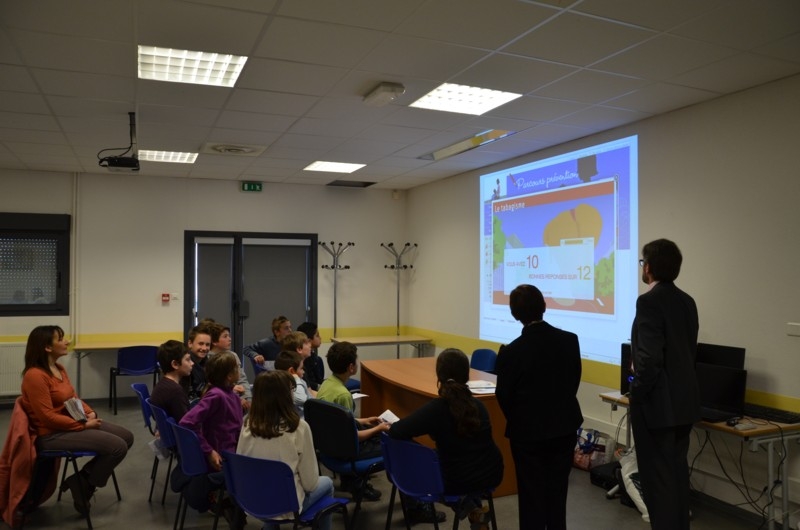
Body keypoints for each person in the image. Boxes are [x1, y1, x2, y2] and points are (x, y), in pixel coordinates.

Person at [19, 325, 134, 516]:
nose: (67, 342)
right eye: (60, 339)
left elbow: (73, 398)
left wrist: (90, 413)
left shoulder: (58, 368)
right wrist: (83, 425)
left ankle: (83, 480)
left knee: (127, 436)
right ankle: (85, 484)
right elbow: (47, 417)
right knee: (117, 447)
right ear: (47, 347)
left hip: (70, 424)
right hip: (51, 435)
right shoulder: (35, 376)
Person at [495, 284, 583, 530]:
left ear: (514, 314)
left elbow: (504, 395)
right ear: (544, 306)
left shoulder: (511, 352)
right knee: (558, 492)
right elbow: (572, 382)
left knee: (530, 495)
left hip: (527, 434)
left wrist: (520, 418)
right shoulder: (570, 341)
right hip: (564, 428)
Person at [630, 239, 699, 530]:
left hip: (657, 406)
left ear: (648, 267)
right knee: (676, 478)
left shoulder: (648, 301)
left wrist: (636, 391)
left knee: (658, 485)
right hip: (684, 404)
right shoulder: (687, 301)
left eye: (642, 262)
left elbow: (648, 360)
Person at [390, 348, 502, 525]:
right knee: (462, 463)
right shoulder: (479, 406)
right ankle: (474, 511)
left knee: (412, 453)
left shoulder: (437, 408)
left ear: (439, 376)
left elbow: (396, 431)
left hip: (457, 481)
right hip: (491, 473)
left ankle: (424, 510)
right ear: (467, 375)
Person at [237, 371, 335, 530]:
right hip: (287, 507)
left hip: (251, 502)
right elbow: (310, 484)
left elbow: (242, 464)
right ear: (284, 395)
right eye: (291, 389)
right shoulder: (299, 428)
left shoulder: (247, 424)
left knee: (269, 483)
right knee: (328, 483)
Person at [316, 341, 389, 502]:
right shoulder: (343, 395)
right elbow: (353, 437)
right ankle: (358, 485)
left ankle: (350, 481)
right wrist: (379, 429)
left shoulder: (327, 384)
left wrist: (364, 420)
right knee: (389, 443)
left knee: (369, 430)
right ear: (351, 367)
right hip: (344, 452)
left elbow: (338, 420)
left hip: (327, 447)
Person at [177, 351, 244, 516]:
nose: (240, 371)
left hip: (232, 450)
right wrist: (209, 451)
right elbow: (186, 422)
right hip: (223, 455)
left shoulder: (230, 395)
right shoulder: (216, 396)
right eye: (237, 368)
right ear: (229, 376)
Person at [199, 319, 252, 412]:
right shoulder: (207, 359)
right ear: (214, 342)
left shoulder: (233, 356)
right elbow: (213, 386)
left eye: (229, 336)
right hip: (224, 400)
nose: (229, 339)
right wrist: (237, 398)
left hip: (239, 397)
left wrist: (247, 398)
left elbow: (242, 379)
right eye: (225, 336)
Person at [150, 339, 193, 421]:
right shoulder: (175, 391)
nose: (192, 363)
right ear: (175, 364)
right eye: (188, 360)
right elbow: (186, 422)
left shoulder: (163, 384)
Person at [274, 350, 313, 417]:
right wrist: (296, 379)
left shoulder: (301, 381)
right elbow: (303, 400)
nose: (303, 372)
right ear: (292, 371)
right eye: (301, 368)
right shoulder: (286, 385)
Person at [295, 322, 325, 391]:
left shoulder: (314, 357)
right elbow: (308, 384)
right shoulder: (302, 360)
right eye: (317, 335)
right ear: (309, 340)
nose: (320, 338)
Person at [186, 326, 212, 404]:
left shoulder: (209, 363)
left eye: (207, 345)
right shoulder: (184, 366)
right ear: (190, 343)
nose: (204, 348)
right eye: (200, 344)